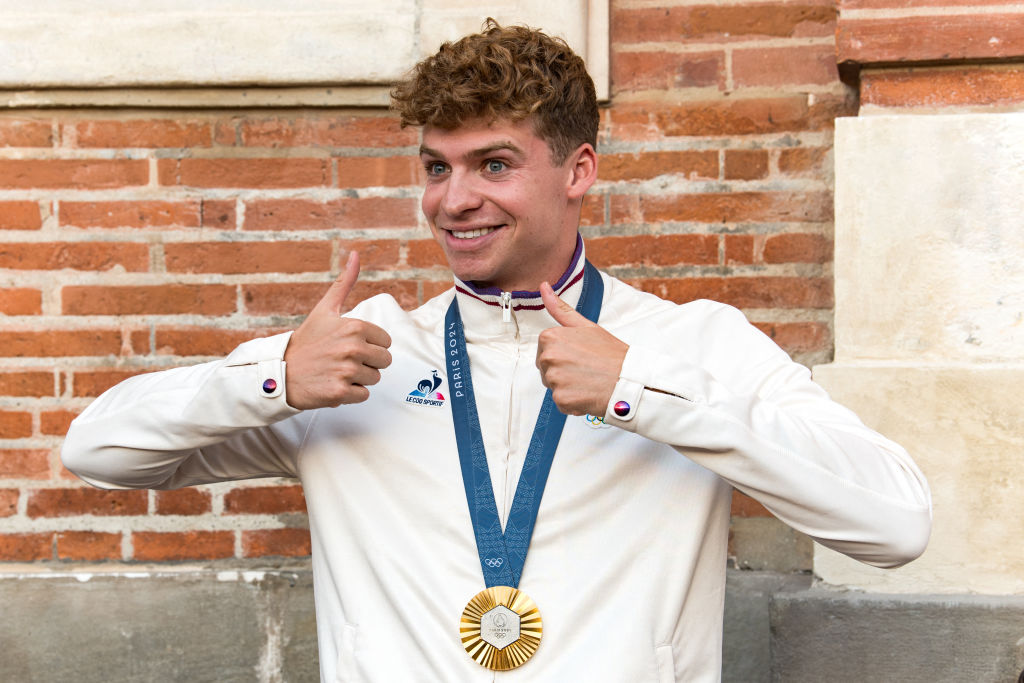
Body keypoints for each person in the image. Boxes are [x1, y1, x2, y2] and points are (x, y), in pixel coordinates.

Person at [62, 20, 931, 682]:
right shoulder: (363, 354)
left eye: (493, 164)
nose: (455, 199)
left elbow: (895, 525)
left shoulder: (687, 344)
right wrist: (272, 377)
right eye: (437, 167)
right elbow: (96, 448)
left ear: (579, 170)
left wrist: (643, 392)